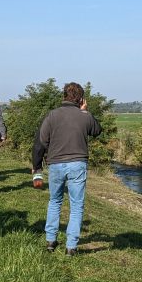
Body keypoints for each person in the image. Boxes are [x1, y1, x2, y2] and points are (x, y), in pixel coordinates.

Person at [39, 82, 102, 255]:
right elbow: (97, 130)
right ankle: (71, 247)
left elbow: (42, 141)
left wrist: (36, 165)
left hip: (56, 163)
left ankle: (51, 240)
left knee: (54, 201)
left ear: (64, 96)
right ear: (81, 98)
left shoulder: (52, 115)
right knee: (77, 205)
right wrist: (86, 111)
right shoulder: (85, 116)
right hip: (78, 163)